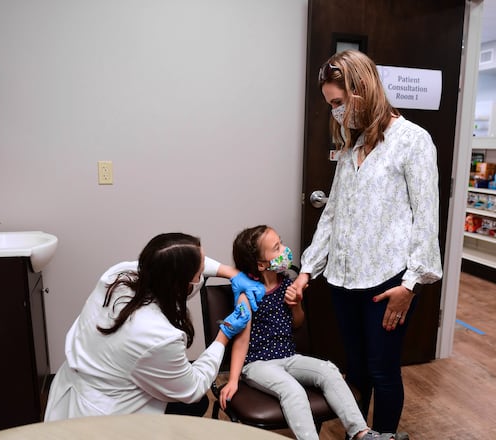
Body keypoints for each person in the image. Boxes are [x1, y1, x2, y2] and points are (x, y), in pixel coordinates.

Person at [292, 50, 443, 434]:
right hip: (344, 281)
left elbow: (426, 219)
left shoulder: (413, 141)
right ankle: (359, 434)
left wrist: (409, 286)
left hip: (388, 283)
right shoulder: (353, 148)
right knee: (356, 368)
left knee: (383, 369)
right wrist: (308, 269)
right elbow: (333, 213)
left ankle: (386, 436)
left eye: (339, 102)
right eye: (331, 105)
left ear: (363, 88)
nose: (337, 112)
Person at [44, 232, 266, 420]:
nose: (202, 276)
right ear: (181, 285)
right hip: (105, 414)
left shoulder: (119, 275)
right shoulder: (157, 336)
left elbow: (176, 262)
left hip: (83, 380)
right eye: (199, 274)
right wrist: (224, 335)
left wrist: (231, 273)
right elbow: (194, 388)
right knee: (194, 404)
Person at [220, 225, 407, 440]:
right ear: (261, 264)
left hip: (288, 358)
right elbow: (241, 342)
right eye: (277, 248)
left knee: (328, 370)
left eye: (280, 243)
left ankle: (361, 433)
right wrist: (233, 380)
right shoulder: (248, 295)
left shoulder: (286, 284)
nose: (284, 250)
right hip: (258, 364)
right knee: (293, 391)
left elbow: (297, 324)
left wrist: (296, 305)